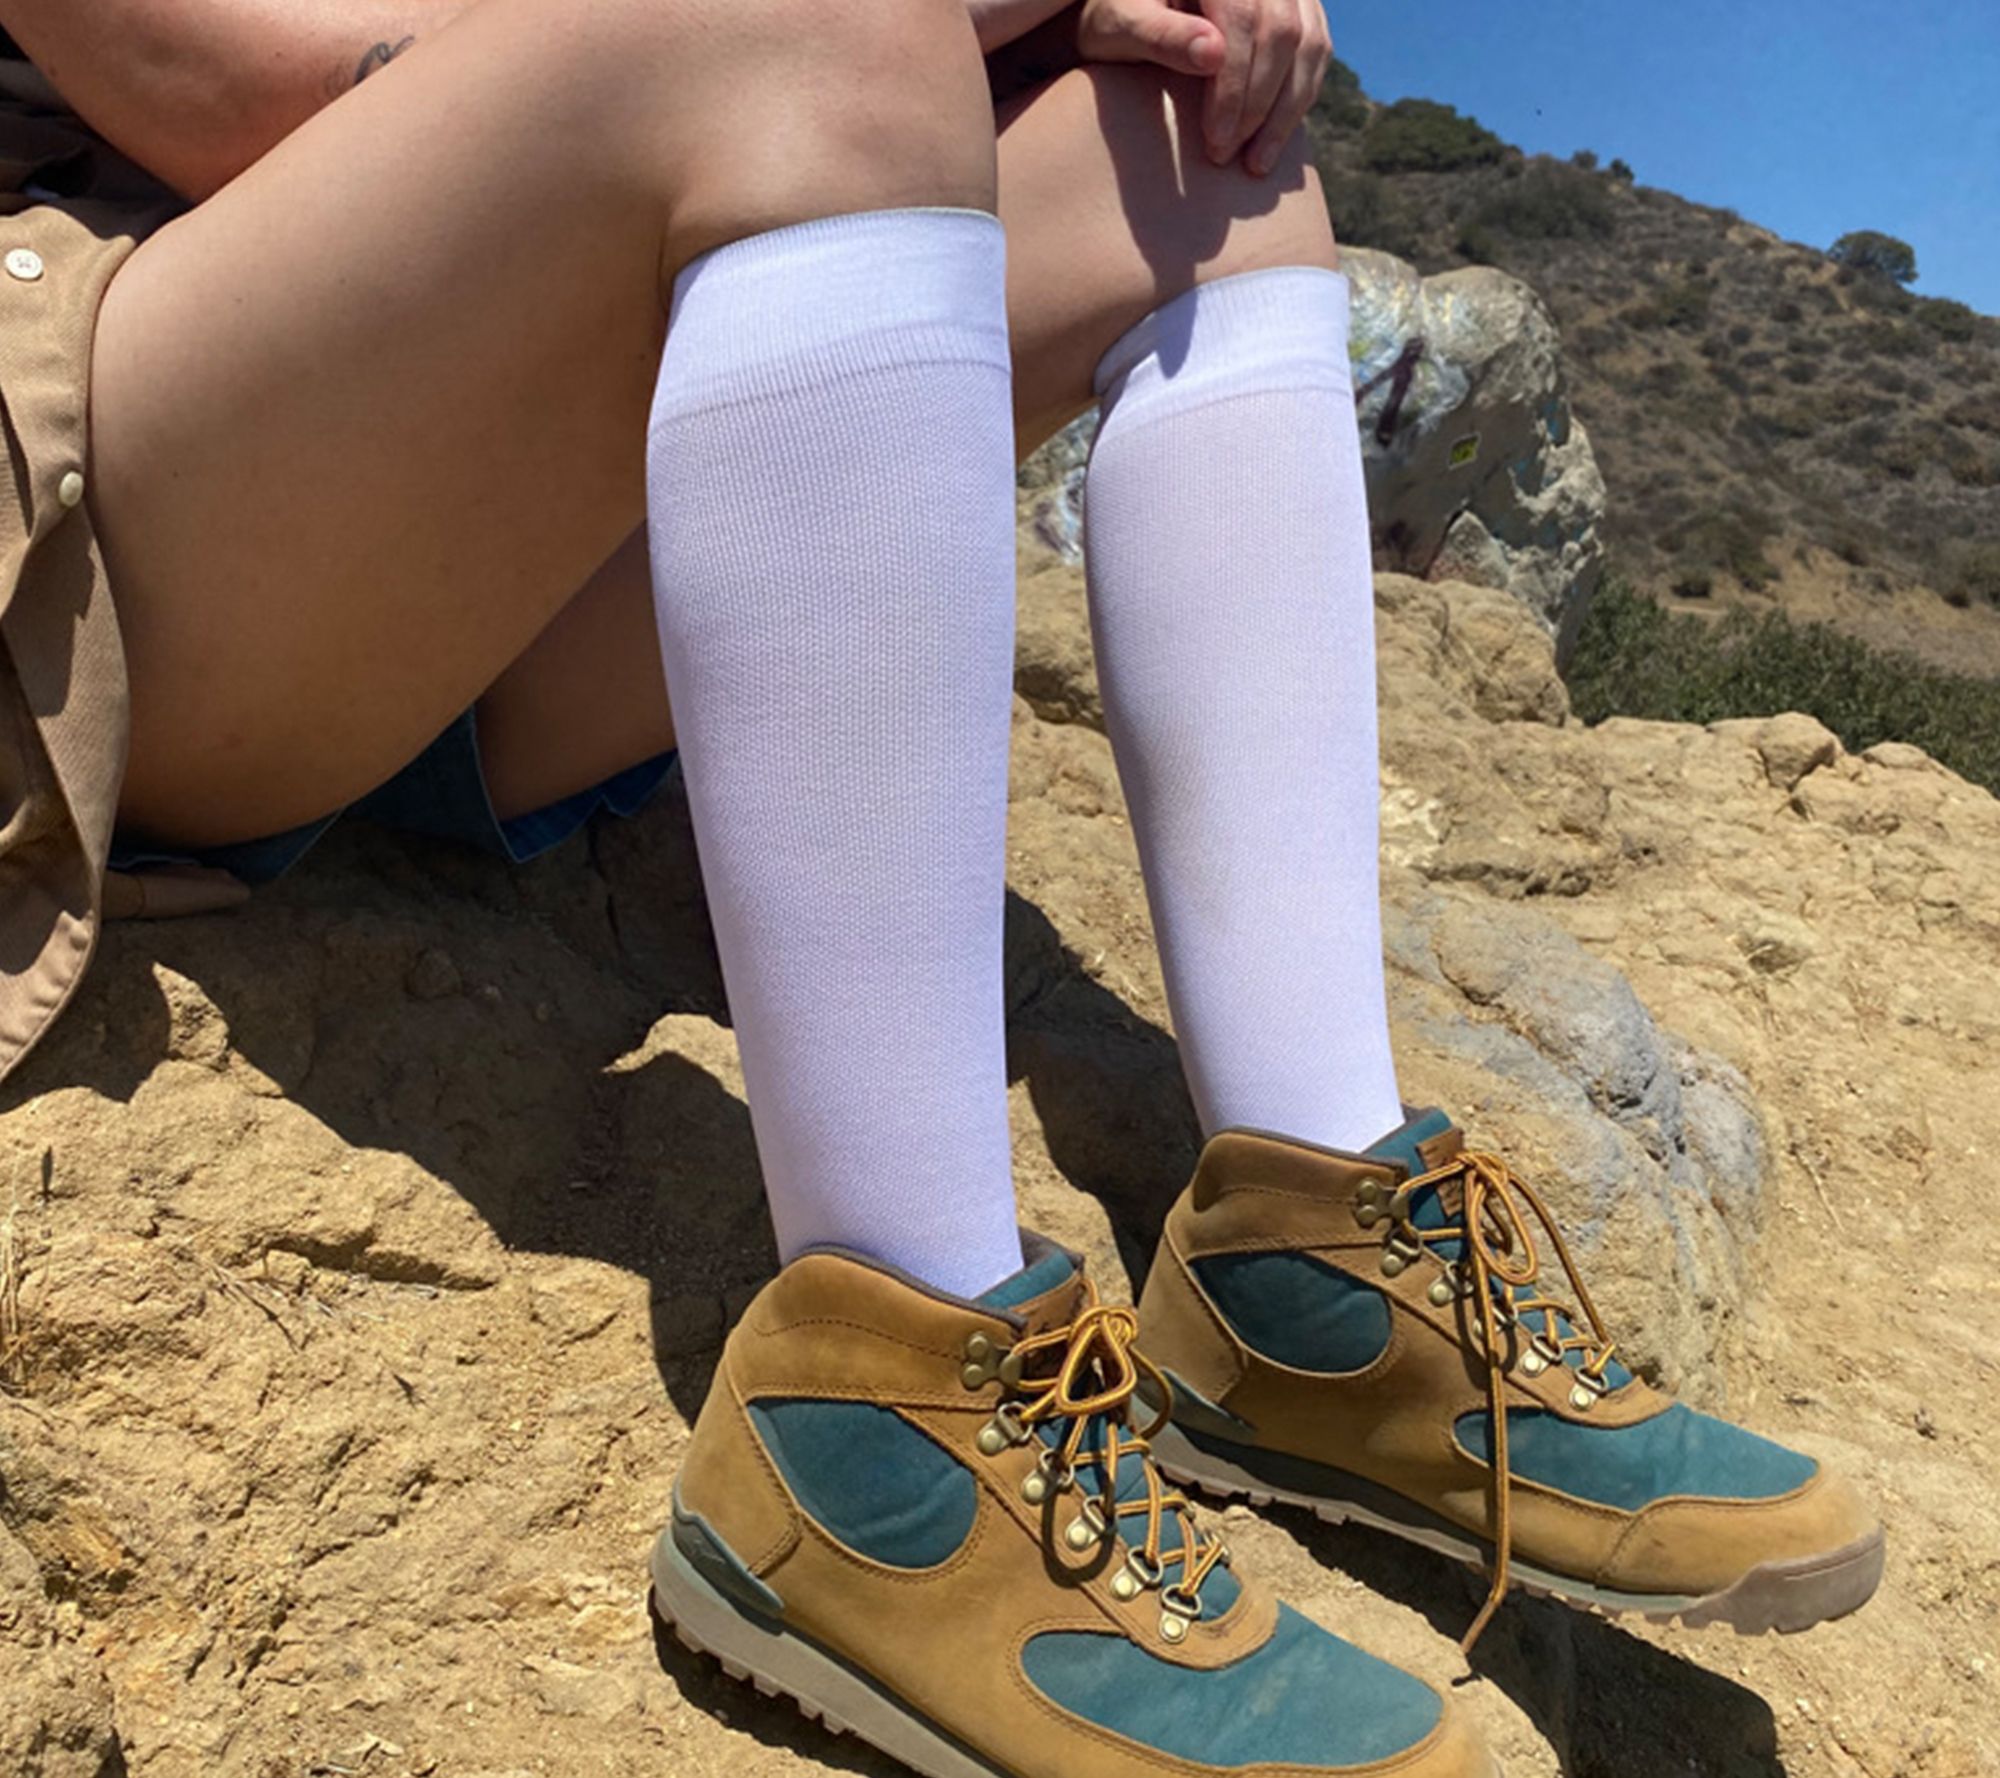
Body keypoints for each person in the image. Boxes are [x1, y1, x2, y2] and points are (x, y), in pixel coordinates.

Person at [0, 4, 1881, 1776]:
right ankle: (882, 1405)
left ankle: (1313, 1259)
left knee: (1206, 152)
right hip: (122, 513)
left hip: (481, 563)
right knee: (818, 28)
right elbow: (245, 88)